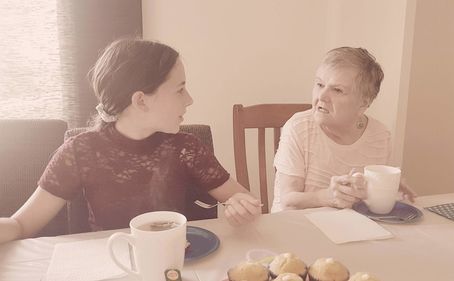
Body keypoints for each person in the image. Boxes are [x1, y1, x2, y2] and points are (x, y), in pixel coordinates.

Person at [0, 38, 261, 244]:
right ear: (140, 100)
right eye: (180, 90)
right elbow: (22, 225)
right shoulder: (80, 151)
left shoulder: (186, 147)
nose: (189, 99)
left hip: (174, 264)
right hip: (110, 263)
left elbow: (245, 201)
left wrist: (242, 209)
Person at [271, 47, 416, 212]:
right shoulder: (298, 127)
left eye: (337, 90)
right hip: (296, 229)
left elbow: (370, 197)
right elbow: (288, 200)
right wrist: (326, 196)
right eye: (320, 84)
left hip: (350, 231)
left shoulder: (380, 136)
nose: (322, 96)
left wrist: (389, 189)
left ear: (364, 103)